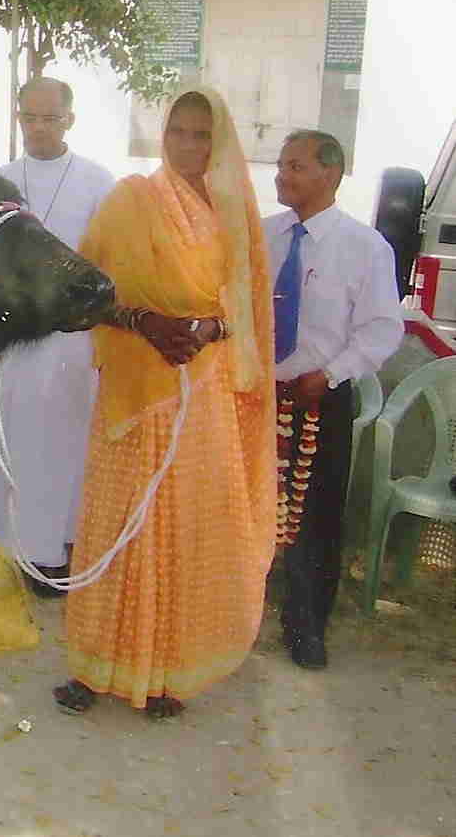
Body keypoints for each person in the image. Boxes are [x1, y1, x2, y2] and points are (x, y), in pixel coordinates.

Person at [53, 87, 275, 719]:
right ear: (162, 133)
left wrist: (204, 331)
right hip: (134, 389)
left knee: (183, 529)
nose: (188, 144)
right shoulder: (132, 201)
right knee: (115, 528)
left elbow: (246, 310)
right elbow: (82, 294)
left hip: (201, 391)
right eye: (178, 130)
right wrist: (143, 320)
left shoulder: (236, 216)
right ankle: (94, 670)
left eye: (202, 134)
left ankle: (166, 673)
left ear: (221, 141)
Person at [0, 77, 113, 596]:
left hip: (69, 342)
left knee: (55, 451)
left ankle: (48, 557)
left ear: (69, 119)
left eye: (49, 118)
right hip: (8, 340)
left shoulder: (98, 183)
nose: (38, 128)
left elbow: (107, 266)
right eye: (29, 117)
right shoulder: (0, 182)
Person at [266, 129, 402, 670]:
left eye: (295, 166)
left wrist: (330, 374)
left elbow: (381, 330)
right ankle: (237, 615)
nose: (282, 175)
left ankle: (306, 626)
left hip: (320, 398)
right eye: (280, 164)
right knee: (250, 506)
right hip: (259, 396)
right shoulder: (262, 235)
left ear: (330, 174)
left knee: (314, 515)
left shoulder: (364, 247)